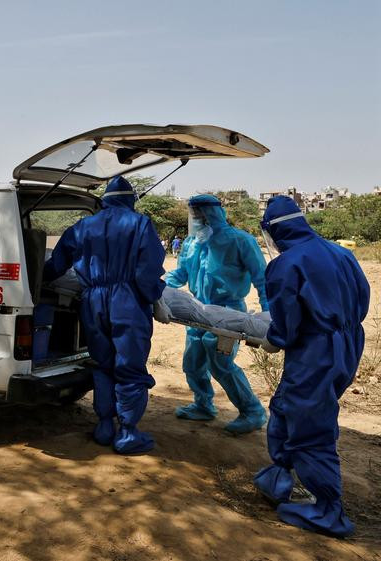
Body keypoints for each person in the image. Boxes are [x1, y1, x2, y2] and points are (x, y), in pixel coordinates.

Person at [253, 196, 369, 538]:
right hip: (347, 343)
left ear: (274, 232)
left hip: (314, 351)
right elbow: (362, 298)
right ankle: (279, 477)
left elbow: (286, 323)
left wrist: (273, 337)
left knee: (309, 422)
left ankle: (329, 510)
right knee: (287, 406)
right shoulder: (340, 253)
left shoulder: (286, 264)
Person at [44, 176, 168, 455]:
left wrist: (36, 281)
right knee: (130, 364)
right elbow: (147, 271)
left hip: (92, 301)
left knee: (102, 362)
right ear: (130, 200)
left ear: (105, 200)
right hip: (128, 301)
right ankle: (127, 432)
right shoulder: (140, 224)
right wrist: (155, 297)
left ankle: (103, 426)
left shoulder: (83, 226)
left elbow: (57, 264)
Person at [165, 194, 268, 434]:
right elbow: (180, 274)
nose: (196, 220)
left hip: (228, 312)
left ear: (212, 214)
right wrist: (155, 287)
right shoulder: (192, 243)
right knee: (193, 363)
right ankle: (203, 405)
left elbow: (262, 278)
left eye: (199, 215)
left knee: (220, 363)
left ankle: (252, 411)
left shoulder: (240, 241)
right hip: (197, 312)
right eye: (193, 215)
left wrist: (268, 313)